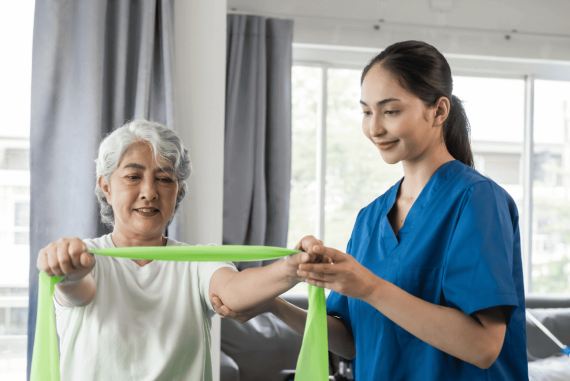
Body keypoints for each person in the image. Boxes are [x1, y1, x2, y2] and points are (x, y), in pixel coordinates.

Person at [211, 41, 528, 380]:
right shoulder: (370, 218)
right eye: (366, 111)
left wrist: (369, 287)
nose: (374, 128)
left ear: (438, 111)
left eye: (390, 111)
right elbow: (353, 343)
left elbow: (483, 347)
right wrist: (273, 304)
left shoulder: (477, 201)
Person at [36, 119, 321, 381]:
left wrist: (290, 268)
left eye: (164, 179)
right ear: (106, 187)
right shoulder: (86, 258)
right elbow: (77, 290)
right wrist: (69, 273)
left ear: (179, 191)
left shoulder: (196, 262)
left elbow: (233, 292)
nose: (149, 191)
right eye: (133, 176)